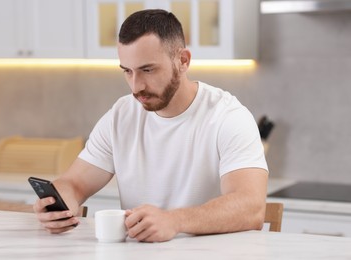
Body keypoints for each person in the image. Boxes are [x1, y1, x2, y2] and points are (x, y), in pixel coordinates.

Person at [33, 9, 268, 243]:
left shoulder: (228, 117)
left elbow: (250, 207)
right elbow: (75, 183)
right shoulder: (121, 115)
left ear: (183, 61)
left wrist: (175, 221)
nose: (136, 87)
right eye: (127, 71)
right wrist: (59, 204)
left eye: (147, 70)